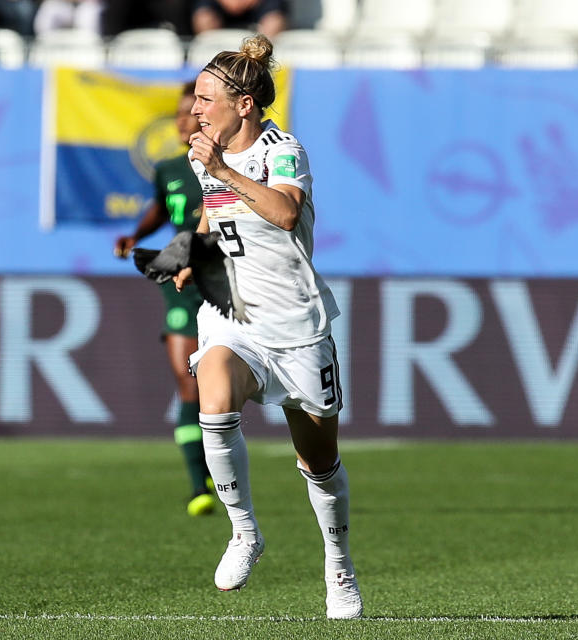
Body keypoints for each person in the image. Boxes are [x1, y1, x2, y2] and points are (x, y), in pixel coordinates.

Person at [174, 33, 362, 618]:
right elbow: (212, 209)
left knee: (318, 461)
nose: (196, 109)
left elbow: (282, 213)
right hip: (236, 316)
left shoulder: (283, 150)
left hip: (297, 325)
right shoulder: (206, 153)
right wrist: (194, 253)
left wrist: (223, 169)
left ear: (245, 104)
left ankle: (339, 566)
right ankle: (245, 531)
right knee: (214, 392)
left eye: (206, 98)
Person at [115, 83, 216, 518]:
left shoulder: (227, 166)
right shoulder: (170, 169)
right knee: (188, 382)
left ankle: (215, 460)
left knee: (221, 389)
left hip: (225, 285)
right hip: (179, 282)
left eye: (188, 114)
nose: (180, 121)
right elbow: (161, 206)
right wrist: (137, 235)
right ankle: (198, 484)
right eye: (177, 114)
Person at [192, 0, 289, 38]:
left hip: (259, 5)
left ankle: (264, 60)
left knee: (274, 21)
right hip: (220, 6)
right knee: (204, 18)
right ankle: (209, 58)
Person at [34, 0, 104, 37]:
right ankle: (45, 48)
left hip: (86, 5)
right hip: (62, 5)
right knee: (49, 8)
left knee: (88, 12)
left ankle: (91, 51)